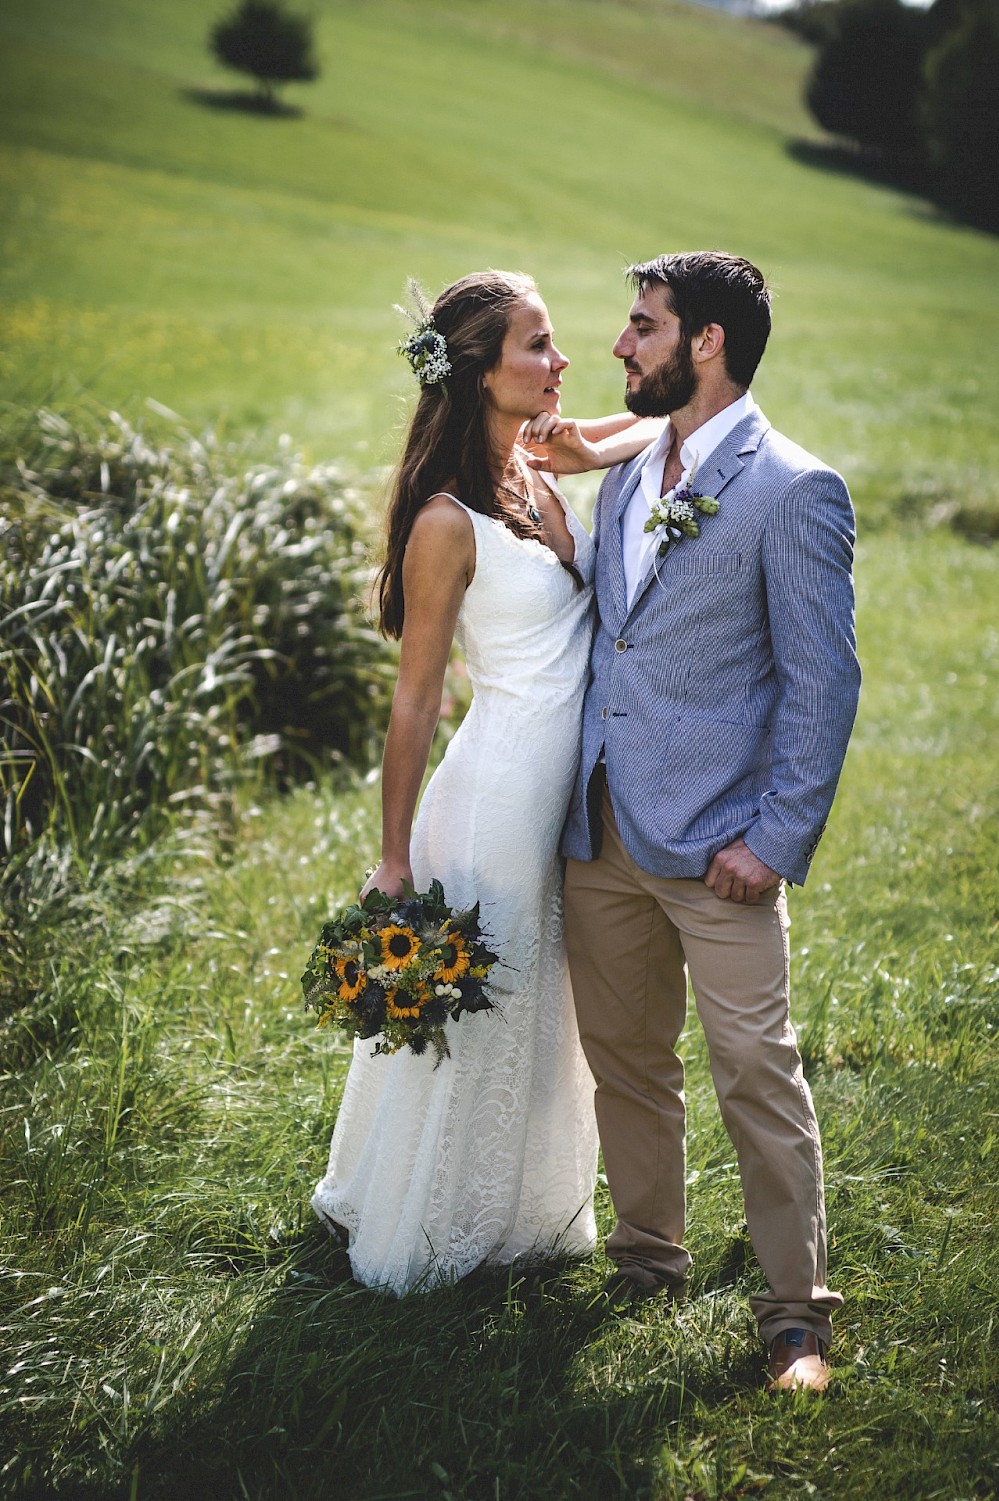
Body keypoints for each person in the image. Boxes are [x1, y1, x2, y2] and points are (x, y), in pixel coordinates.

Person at [535, 252, 861, 1391]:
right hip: (604, 829)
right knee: (624, 1059)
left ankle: (793, 1317)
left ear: (705, 340)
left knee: (753, 1073)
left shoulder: (794, 489)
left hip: (722, 847)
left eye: (641, 325)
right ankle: (648, 1258)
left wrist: (772, 840)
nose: (618, 346)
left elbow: (823, 684)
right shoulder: (633, 472)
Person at [311, 270, 651, 1295]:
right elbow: (413, 702)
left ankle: (520, 1215)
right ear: (480, 370)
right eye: (538, 346)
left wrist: (588, 444)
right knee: (490, 1006)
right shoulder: (446, 521)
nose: (562, 362)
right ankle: (428, 1221)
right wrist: (391, 853)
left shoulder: (536, 468)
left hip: (561, 789)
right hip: (500, 793)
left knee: (546, 1001)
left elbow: (664, 423)